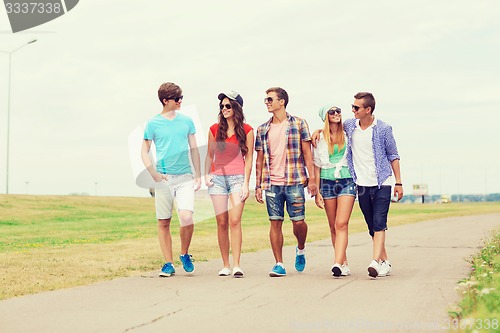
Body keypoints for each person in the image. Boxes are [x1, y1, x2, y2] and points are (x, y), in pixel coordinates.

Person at [313, 92, 403, 278]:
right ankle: (380, 261)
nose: (349, 111)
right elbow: (329, 132)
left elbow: (393, 155)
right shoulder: (351, 126)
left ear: (367, 109)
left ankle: (374, 262)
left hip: (377, 181)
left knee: (372, 223)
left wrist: (399, 182)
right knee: (370, 224)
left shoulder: (381, 129)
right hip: (359, 183)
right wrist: (318, 131)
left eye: (355, 108)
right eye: (352, 107)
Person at [255, 87, 317, 277]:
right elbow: (259, 159)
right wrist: (258, 185)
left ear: (282, 101)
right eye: (265, 99)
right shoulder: (263, 129)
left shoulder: (299, 123)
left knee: (298, 223)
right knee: (275, 222)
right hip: (272, 182)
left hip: (295, 180)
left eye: (270, 99)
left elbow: (308, 153)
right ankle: (279, 264)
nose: (266, 102)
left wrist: (312, 179)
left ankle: (300, 248)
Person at [141, 82, 201, 277]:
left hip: (185, 177)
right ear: (166, 101)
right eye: (177, 99)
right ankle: (168, 263)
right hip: (164, 179)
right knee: (164, 221)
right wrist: (154, 174)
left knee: (186, 217)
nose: (180, 101)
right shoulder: (153, 124)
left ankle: (184, 253)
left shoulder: (186, 121)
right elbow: (144, 151)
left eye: (181, 97)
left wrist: (198, 175)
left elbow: (194, 149)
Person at [204, 91, 254, 278]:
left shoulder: (247, 130)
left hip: (237, 179)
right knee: (222, 222)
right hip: (217, 179)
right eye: (222, 106)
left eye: (228, 106)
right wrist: (207, 174)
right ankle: (225, 264)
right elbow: (209, 155)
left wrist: (246, 183)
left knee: (234, 220)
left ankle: (237, 264)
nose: (224, 109)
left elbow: (248, 158)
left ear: (236, 108)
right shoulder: (215, 129)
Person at [313, 104, 356, 277]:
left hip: (347, 180)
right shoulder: (319, 139)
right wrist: (316, 191)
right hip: (327, 182)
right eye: (332, 112)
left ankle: (337, 262)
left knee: (341, 223)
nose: (337, 114)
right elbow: (316, 166)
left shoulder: (348, 133)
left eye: (338, 111)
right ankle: (343, 262)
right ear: (326, 117)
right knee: (333, 226)